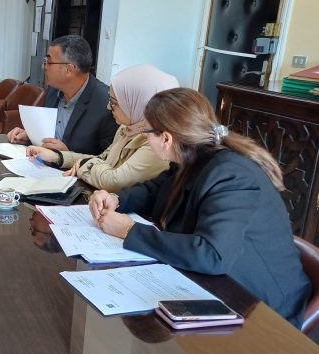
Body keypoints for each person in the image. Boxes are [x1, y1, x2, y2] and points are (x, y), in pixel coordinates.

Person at [88, 88, 311, 327]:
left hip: (262, 309)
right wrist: (117, 199)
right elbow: (156, 191)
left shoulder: (232, 175)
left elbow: (212, 254)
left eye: (147, 132)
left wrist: (130, 230)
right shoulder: (191, 157)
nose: (144, 137)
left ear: (166, 138)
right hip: (214, 285)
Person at [26, 64, 177, 192]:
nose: (108, 107)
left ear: (138, 104)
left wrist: (84, 165)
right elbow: (102, 159)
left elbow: (114, 181)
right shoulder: (127, 128)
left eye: (114, 103)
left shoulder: (155, 141)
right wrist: (57, 156)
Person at [6, 35, 116, 155]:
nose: (43, 67)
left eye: (48, 62)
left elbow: (108, 161)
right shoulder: (53, 91)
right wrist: (29, 136)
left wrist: (67, 156)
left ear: (69, 69)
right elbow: (47, 133)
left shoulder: (106, 104)